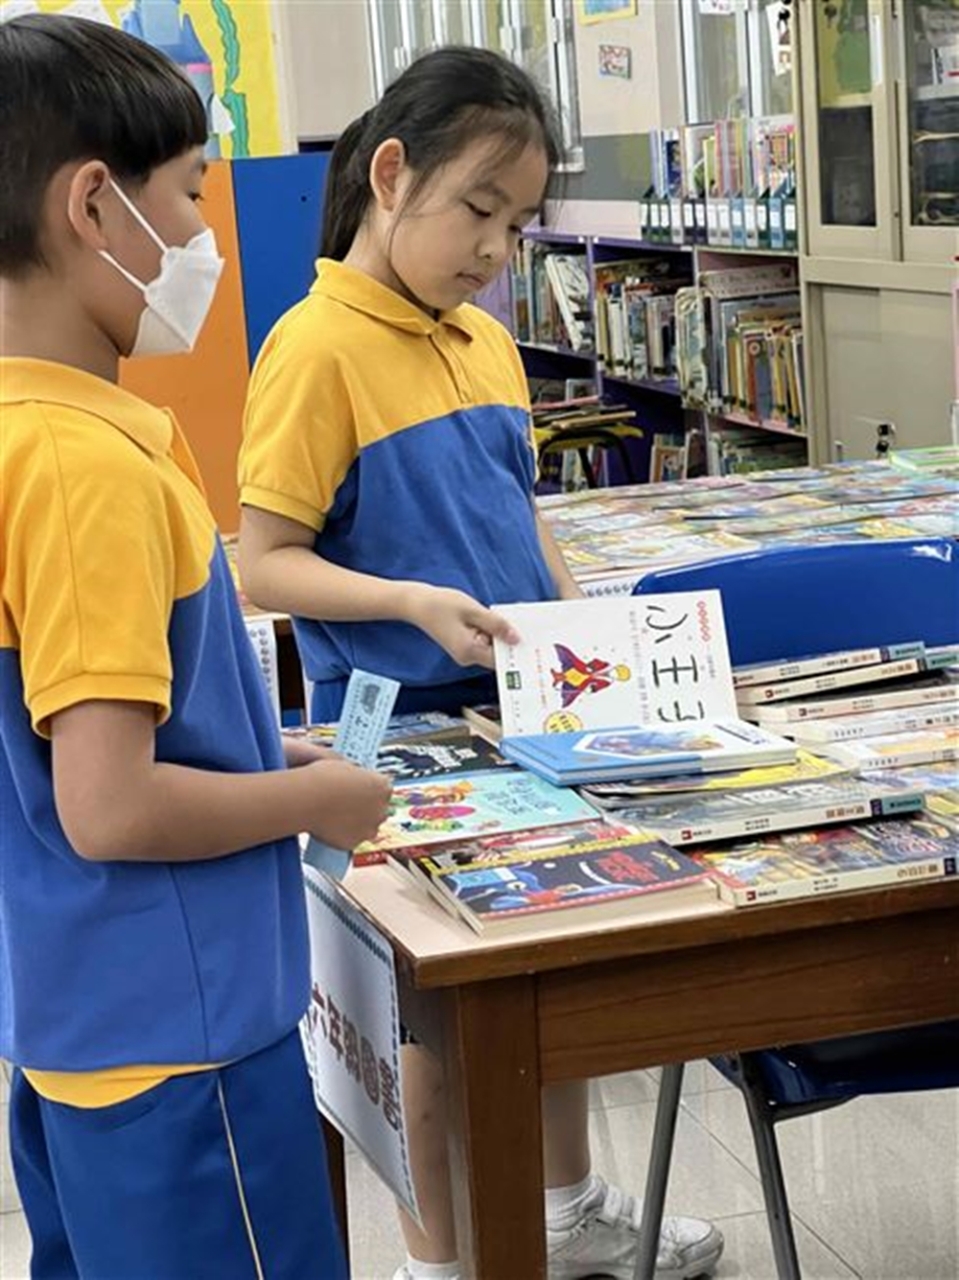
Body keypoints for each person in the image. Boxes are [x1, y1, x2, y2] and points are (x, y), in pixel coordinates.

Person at [236, 44, 724, 1280]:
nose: (496, 249)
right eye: (478, 210)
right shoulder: (312, 347)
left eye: (517, 224)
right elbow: (263, 562)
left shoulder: (480, 335)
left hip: (517, 708)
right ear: (390, 175)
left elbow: (519, 510)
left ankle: (565, 1211)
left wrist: (575, 615)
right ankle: (437, 1259)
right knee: (424, 1020)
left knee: (545, 967)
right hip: (385, 724)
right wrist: (407, 598)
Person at [0, 15, 392, 1279]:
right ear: (92, 206)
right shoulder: (83, 470)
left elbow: (61, 735)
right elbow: (109, 803)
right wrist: (313, 799)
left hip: (77, 1020)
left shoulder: (27, 433)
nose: (203, 236)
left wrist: (258, 754)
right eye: (187, 193)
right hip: (185, 1037)